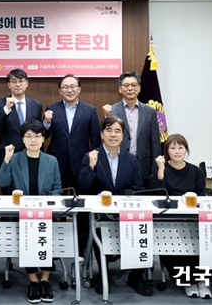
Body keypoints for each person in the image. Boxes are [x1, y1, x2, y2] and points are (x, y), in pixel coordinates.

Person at [78, 116, 147, 296]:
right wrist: (91, 166)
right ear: (102, 134)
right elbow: (82, 187)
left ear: (123, 136)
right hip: (100, 213)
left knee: (141, 226)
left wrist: (125, 201)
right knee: (98, 229)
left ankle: (136, 276)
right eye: (109, 130)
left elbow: (139, 189)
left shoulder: (131, 160)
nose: (113, 135)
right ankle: (103, 275)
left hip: (125, 212)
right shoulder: (91, 156)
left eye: (117, 131)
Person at [0, 120, 61, 304]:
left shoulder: (52, 161)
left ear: (43, 139)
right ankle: (33, 280)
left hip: (45, 214)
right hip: (22, 215)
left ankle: (45, 279)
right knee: (27, 231)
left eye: (37, 136)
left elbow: (57, 190)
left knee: (49, 230)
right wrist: (6, 159)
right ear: (23, 139)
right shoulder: (15, 158)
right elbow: (2, 182)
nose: (33, 140)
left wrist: (44, 203)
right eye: (29, 136)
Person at [152, 134, 210, 299]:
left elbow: (202, 196)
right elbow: (158, 195)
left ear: (186, 149)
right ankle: (187, 281)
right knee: (174, 246)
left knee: (202, 242)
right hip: (169, 219)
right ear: (167, 151)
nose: (177, 151)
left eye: (180, 147)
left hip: (192, 218)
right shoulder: (162, 168)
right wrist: (161, 169)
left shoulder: (195, 171)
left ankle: (201, 281)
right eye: (173, 148)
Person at [102, 71, 160, 188]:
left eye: (133, 85)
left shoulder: (150, 112)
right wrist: (106, 117)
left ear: (139, 88)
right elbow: (106, 138)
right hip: (119, 162)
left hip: (144, 164)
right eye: (126, 85)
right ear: (120, 89)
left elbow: (155, 143)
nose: (130, 88)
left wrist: (155, 168)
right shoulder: (111, 110)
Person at [44, 74, 100, 190]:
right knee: (57, 195)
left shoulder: (90, 110)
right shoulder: (52, 109)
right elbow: (45, 135)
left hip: (81, 161)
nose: (69, 90)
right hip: (57, 161)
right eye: (65, 87)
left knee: (81, 196)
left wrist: (94, 161)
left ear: (79, 89)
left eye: (73, 86)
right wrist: (46, 122)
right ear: (60, 91)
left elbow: (95, 139)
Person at [0, 68, 43, 170]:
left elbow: (40, 130)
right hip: (9, 153)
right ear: (9, 85)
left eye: (21, 81)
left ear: (27, 83)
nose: (18, 84)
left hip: (32, 151)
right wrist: (6, 109)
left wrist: (47, 122)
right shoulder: (0, 104)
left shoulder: (36, 105)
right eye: (14, 81)